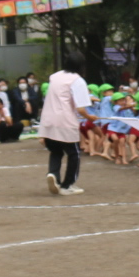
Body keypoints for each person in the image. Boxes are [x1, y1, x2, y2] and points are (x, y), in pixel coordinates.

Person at [40, 56, 96, 196]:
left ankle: (53, 174)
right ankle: (67, 184)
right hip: (65, 121)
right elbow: (81, 109)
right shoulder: (77, 81)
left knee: (56, 151)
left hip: (48, 120)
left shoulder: (55, 77)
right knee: (74, 154)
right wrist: (90, 117)